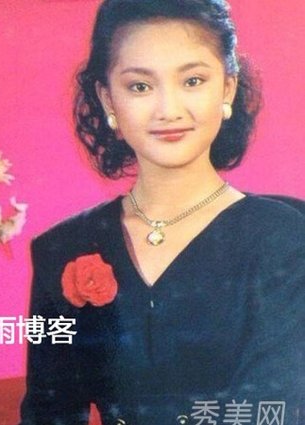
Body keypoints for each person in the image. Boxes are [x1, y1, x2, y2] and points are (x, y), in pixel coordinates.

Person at [18, 0, 305, 424]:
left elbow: (275, 411)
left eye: (192, 80)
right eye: (140, 86)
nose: (168, 109)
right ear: (107, 98)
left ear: (226, 89)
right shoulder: (62, 247)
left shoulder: (285, 238)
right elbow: (48, 413)